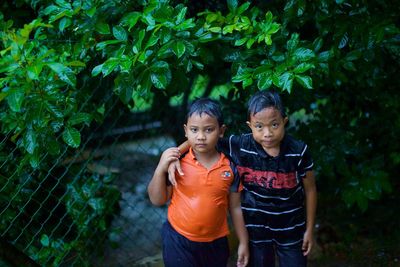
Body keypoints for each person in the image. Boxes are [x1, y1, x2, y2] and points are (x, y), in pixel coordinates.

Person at [169, 90, 317, 267]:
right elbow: (199, 140)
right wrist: (174, 157)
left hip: (291, 229)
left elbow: (310, 190)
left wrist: (309, 229)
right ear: (250, 125)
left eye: (274, 125)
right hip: (256, 230)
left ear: (284, 121)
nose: (267, 133)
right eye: (259, 126)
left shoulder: (298, 151)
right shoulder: (241, 145)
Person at [147, 98, 249, 267]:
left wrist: (243, 242)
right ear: (186, 131)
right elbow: (157, 199)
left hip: (216, 243)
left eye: (209, 130)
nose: (201, 137)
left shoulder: (230, 167)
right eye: (194, 130)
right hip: (178, 240)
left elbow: (235, 207)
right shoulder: (177, 162)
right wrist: (160, 167)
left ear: (221, 131)